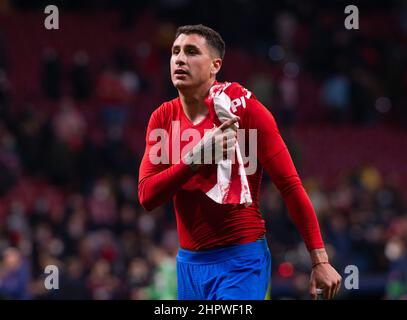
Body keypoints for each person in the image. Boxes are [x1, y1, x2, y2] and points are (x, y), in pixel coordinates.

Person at [138, 24, 342, 300]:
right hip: (189, 266)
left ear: (215, 66)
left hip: (241, 261)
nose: (180, 59)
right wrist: (195, 159)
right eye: (175, 52)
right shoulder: (162, 118)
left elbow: (290, 185)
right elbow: (147, 195)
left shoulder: (245, 110)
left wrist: (319, 259)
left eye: (191, 51)